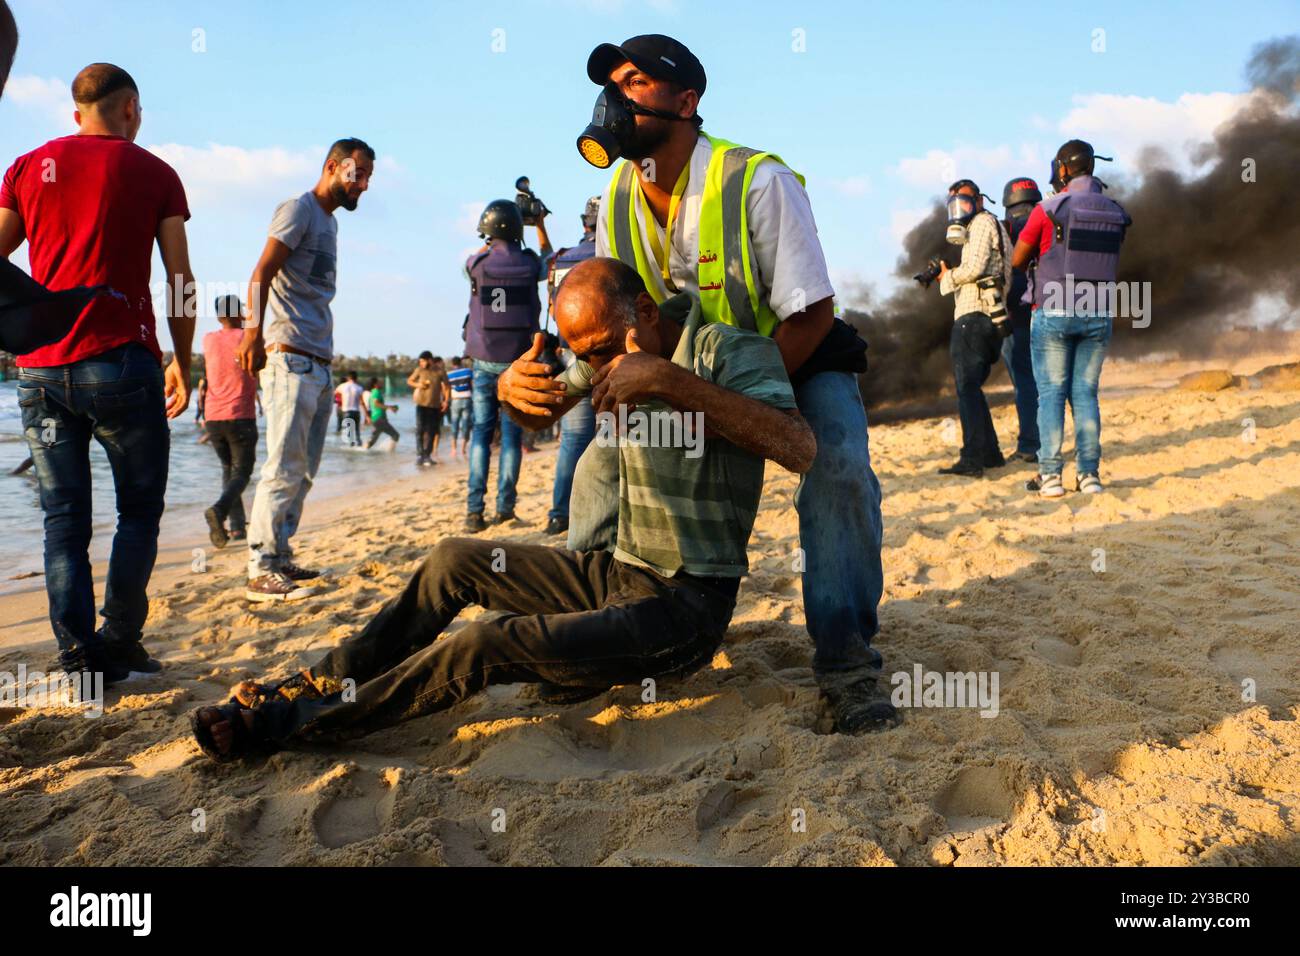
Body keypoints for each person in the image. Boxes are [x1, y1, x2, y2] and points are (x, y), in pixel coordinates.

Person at [189, 258, 816, 760]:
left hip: (683, 606)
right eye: (584, 356)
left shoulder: (728, 354)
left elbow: (798, 447)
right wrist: (514, 389)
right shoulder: (604, 348)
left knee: (486, 644)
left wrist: (665, 380)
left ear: (646, 314)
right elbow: (537, 409)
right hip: (613, 574)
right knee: (452, 559)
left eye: (598, 353)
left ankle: (285, 724)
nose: (591, 371)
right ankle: (323, 679)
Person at [502, 35, 893, 733]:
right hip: (686, 368)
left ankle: (846, 658)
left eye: (634, 82)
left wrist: (737, 409)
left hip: (794, 355)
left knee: (837, 470)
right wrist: (545, 390)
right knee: (598, 466)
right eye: (612, 84)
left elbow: (810, 311)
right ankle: (591, 641)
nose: (617, 97)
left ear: (687, 103)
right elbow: (622, 318)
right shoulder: (618, 191)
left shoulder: (758, 180)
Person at [0, 62, 195, 681]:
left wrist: (24, 320)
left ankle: (78, 655)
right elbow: (181, 283)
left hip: (39, 372)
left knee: (64, 518)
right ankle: (120, 640)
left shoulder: (30, 167)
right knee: (138, 510)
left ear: (75, 111)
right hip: (121, 364)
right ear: (131, 108)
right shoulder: (156, 173)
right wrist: (182, 363)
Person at [237, 138, 374, 602]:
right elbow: (262, 272)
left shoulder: (330, 224)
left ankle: (280, 554)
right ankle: (260, 566)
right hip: (289, 355)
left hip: (318, 359)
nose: (365, 185)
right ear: (333, 167)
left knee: (305, 468)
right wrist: (251, 334)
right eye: (359, 174)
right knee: (282, 465)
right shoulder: (299, 209)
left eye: (369, 176)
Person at [1012, 140, 1130, 497]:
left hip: (1054, 308)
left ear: (1063, 169)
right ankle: (1089, 475)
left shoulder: (1048, 209)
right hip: (1097, 309)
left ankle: (1049, 478)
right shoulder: (1115, 210)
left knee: (1050, 394)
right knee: (1085, 394)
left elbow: (1018, 259)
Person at [462, 200, 549, 532]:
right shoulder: (530, 265)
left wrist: (489, 240)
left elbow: (471, 261)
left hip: (482, 360)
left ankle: (473, 513)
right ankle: (505, 509)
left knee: (481, 435)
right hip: (519, 362)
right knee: (512, 438)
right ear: (517, 228)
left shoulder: (477, 263)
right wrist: (539, 224)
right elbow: (549, 262)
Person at [934, 178, 1013, 478]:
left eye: (965, 201)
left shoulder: (981, 223)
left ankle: (972, 459)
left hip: (973, 315)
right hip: (991, 316)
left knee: (966, 388)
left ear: (979, 201)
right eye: (954, 202)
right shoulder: (997, 227)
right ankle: (991, 454)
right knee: (972, 388)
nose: (960, 209)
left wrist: (948, 278)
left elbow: (976, 267)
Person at [542, 197, 600, 536]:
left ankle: (559, 514)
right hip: (608, 354)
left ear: (583, 224)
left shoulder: (560, 259)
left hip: (569, 351)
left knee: (573, 438)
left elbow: (552, 309)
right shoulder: (613, 250)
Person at [201, 295, 259, 548]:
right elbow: (259, 364)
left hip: (213, 416)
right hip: (240, 415)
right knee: (242, 472)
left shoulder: (208, 339)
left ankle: (236, 528)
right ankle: (219, 510)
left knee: (228, 470)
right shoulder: (248, 338)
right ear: (240, 313)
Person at [1000, 177, 1042, 464]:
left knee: (1025, 382)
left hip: (1017, 315)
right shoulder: (1046, 220)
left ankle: (1030, 444)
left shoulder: (1004, 230)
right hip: (1046, 308)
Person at [406, 350, 448, 467]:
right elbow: (409, 381)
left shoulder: (440, 371)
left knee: (432, 431)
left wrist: (446, 401)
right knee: (419, 430)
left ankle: (427, 456)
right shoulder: (419, 370)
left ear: (430, 360)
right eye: (420, 362)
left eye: (423, 361)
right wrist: (418, 385)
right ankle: (420, 455)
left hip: (435, 406)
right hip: (421, 405)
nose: (421, 364)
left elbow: (447, 386)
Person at [446, 355, 472, 458]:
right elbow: (473, 384)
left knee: (454, 424)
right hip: (467, 400)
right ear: (461, 363)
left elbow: (446, 388)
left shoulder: (449, 374)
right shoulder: (468, 371)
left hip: (455, 401)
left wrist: (446, 400)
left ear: (452, 364)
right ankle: (463, 449)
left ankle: (453, 450)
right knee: (466, 425)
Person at [364, 377, 399, 449]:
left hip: (376, 418)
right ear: (375, 384)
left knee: (372, 440)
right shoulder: (376, 392)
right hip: (379, 418)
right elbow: (376, 404)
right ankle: (390, 453)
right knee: (396, 435)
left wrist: (390, 407)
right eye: (379, 382)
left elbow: (377, 405)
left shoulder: (373, 392)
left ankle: (363, 450)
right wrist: (390, 407)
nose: (381, 383)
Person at [337, 369, 365, 447]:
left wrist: (341, 402)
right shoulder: (359, 388)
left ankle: (350, 452)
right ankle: (360, 446)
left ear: (348, 377)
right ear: (356, 378)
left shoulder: (342, 386)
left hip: (346, 412)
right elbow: (362, 402)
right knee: (357, 432)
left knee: (349, 434)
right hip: (356, 412)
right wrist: (366, 415)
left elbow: (335, 394)